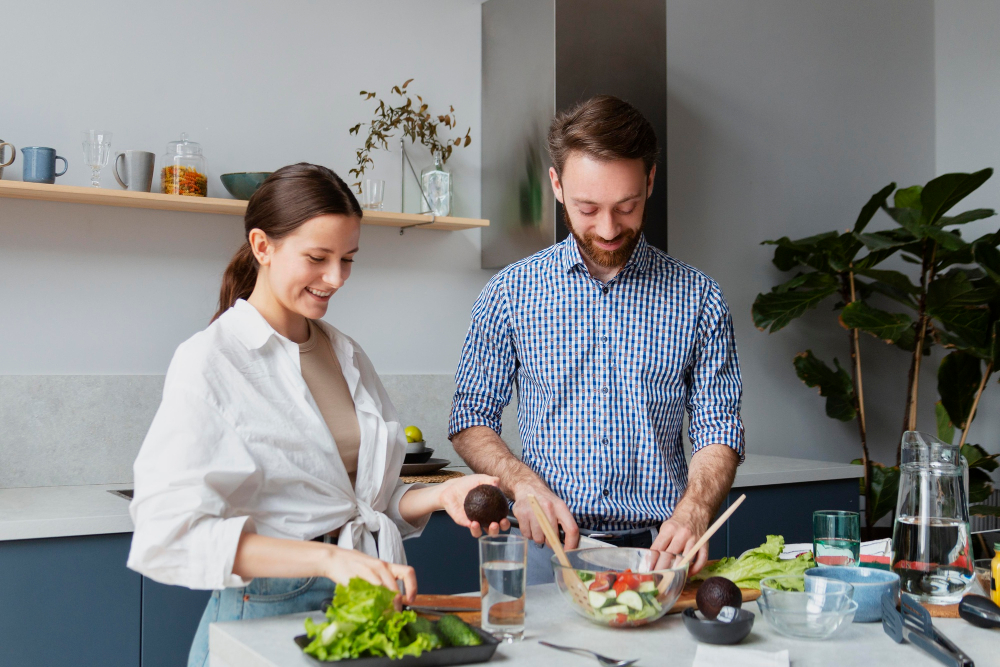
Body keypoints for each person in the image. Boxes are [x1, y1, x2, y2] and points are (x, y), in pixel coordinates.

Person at [126, 164, 507, 667]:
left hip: (364, 607)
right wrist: (328, 559)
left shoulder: (345, 353)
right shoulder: (212, 360)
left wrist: (441, 495)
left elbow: (362, 502)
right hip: (268, 610)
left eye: (347, 259)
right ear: (262, 246)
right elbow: (168, 533)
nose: (336, 278)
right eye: (317, 258)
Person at [449, 96, 744, 585]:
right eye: (587, 208)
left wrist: (695, 509)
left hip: (658, 552)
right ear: (556, 185)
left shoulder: (700, 298)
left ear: (650, 182)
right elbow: (470, 417)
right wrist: (522, 484)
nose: (608, 229)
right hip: (546, 549)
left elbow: (719, 428)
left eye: (627, 207)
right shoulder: (509, 293)